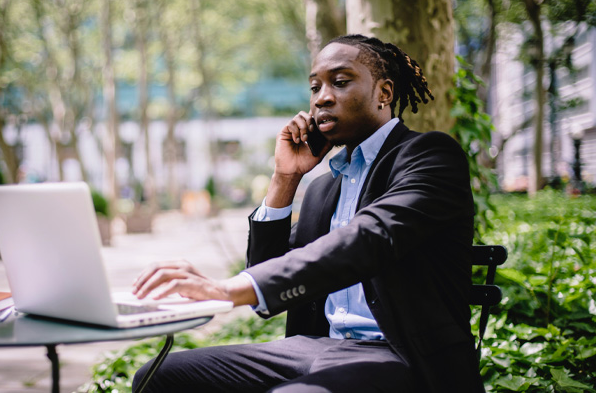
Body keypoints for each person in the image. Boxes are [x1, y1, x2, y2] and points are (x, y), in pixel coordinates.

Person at [132, 34, 484, 393]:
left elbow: (370, 237)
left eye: (341, 82)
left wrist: (228, 289)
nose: (322, 97)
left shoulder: (429, 156)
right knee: (158, 377)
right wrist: (285, 178)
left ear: (384, 92)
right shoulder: (322, 189)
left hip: (399, 354)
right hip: (315, 347)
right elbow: (266, 271)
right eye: (315, 87)